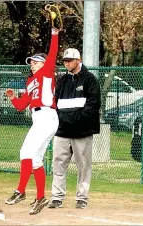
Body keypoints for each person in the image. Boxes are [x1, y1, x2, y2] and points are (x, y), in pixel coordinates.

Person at [4, 28, 60, 215]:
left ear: (44, 64)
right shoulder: (30, 82)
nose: (32, 64)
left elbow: (52, 54)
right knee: (35, 159)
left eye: (36, 62)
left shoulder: (46, 73)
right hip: (39, 119)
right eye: (31, 62)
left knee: (25, 152)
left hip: (47, 115)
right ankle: (41, 197)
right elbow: (21, 106)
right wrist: (13, 97)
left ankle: (20, 191)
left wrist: (54, 34)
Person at [48, 48, 101, 209]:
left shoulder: (90, 79)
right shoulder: (62, 80)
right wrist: (62, 120)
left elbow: (93, 106)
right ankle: (57, 197)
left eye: (69, 60)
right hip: (63, 130)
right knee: (58, 163)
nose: (66, 63)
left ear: (78, 60)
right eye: (64, 60)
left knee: (83, 165)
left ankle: (82, 198)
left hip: (82, 131)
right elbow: (55, 104)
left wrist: (76, 120)